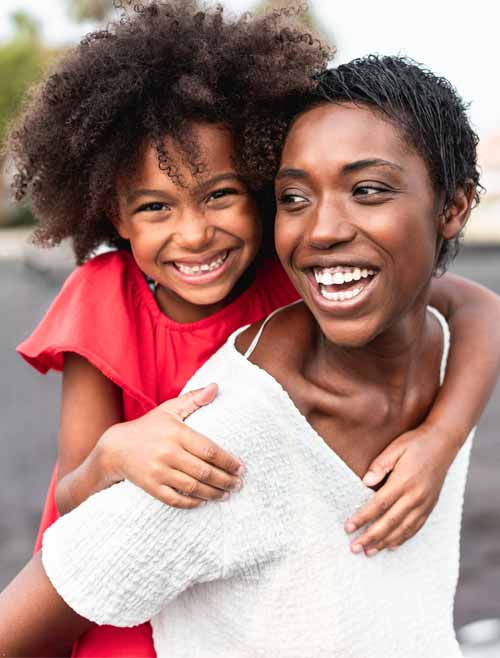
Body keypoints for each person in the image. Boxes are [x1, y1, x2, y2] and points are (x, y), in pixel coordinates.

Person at [1, 7, 499, 657]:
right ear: (114, 215)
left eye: (220, 195)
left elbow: (477, 307)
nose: (194, 233)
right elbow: (72, 495)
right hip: (120, 580)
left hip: (234, 581)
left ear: (260, 193)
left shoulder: (295, 274)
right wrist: (118, 453)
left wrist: (440, 439)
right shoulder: (105, 302)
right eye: (155, 207)